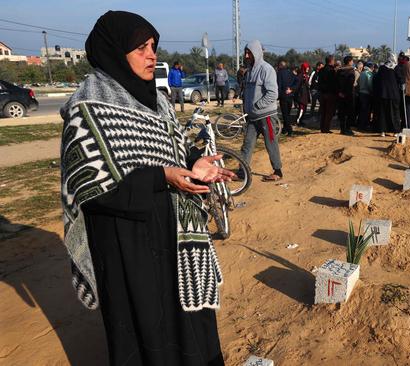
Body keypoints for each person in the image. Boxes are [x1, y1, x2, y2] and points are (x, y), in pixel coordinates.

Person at [60, 11, 235, 366]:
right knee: (147, 329)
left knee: (186, 323)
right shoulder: (88, 107)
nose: (152, 55)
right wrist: (162, 177)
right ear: (114, 51)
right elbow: (88, 186)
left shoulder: (159, 101)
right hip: (127, 244)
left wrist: (194, 163)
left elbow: (172, 149)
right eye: (141, 47)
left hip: (174, 238)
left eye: (153, 46)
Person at [240, 40, 284, 181]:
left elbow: (273, 93)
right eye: (246, 52)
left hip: (266, 116)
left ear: (256, 53)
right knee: (247, 145)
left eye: (249, 53)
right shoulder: (249, 71)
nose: (247, 55)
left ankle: (277, 171)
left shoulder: (267, 69)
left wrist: (257, 106)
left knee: (271, 143)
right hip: (252, 117)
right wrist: (247, 109)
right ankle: (242, 172)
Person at [373, 53, 402, 135]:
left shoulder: (382, 68)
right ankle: (396, 130)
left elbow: (378, 79)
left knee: (383, 112)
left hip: (383, 94)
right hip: (393, 94)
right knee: (395, 113)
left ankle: (383, 130)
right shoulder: (396, 68)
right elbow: (401, 79)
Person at [276, 60, 298, 136]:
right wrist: (291, 89)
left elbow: (279, 85)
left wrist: (277, 96)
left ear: (281, 66)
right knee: (287, 114)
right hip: (290, 96)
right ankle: (285, 129)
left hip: (283, 96)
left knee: (285, 115)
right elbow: (297, 81)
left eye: (279, 65)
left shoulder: (279, 73)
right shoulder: (290, 73)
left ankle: (289, 130)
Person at [337, 55, 356, 135]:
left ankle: (342, 129)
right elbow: (350, 83)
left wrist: (340, 92)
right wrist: (345, 93)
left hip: (340, 94)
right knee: (349, 112)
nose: (353, 62)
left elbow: (337, 83)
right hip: (348, 94)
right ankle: (348, 129)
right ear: (349, 62)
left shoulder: (339, 71)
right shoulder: (351, 71)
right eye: (352, 61)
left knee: (342, 112)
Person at [319, 55, 338, 133]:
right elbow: (334, 83)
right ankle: (326, 128)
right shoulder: (332, 71)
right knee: (329, 112)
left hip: (322, 93)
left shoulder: (321, 70)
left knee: (323, 111)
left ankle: (322, 127)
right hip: (330, 94)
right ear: (331, 61)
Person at [357, 61, 374, 130]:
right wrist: (372, 92)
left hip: (361, 93)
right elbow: (370, 85)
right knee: (366, 111)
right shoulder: (369, 74)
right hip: (366, 94)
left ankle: (360, 124)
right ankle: (364, 125)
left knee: (362, 110)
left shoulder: (362, 73)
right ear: (371, 67)